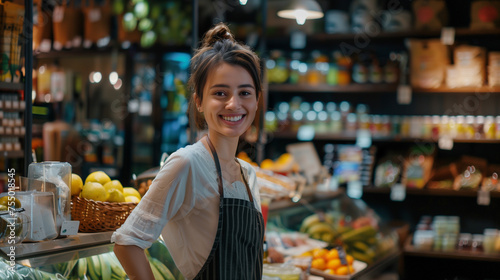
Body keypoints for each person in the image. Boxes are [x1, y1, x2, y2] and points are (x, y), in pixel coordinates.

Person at [111, 22, 264, 280]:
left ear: (257, 101)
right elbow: (127, 243)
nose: (233, 104)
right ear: (200, 102)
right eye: (220, 93)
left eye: (245, 92)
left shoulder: (248, 175)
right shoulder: (187, 163)